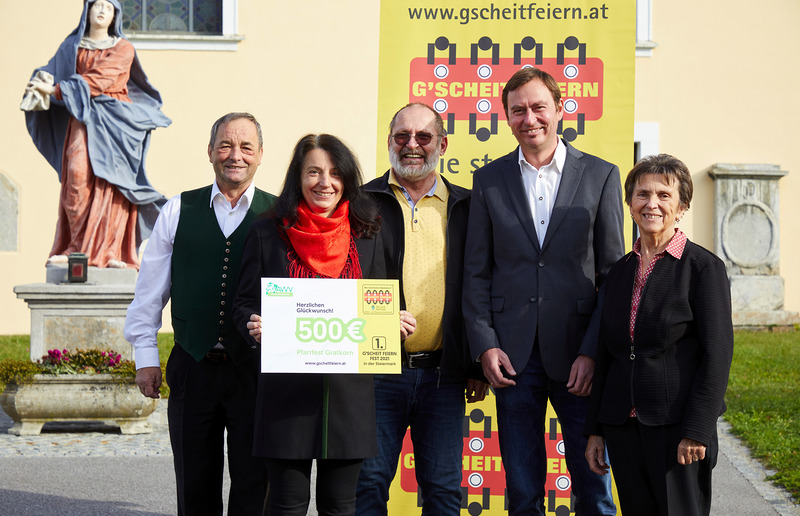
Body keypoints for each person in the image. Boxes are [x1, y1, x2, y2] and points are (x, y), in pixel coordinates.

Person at [462, 67, 623, 515]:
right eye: (518, 110)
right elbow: (476, 273)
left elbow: (612, 276)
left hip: (579, 356)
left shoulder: (601, 175)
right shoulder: (488, 180)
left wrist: (593, 351)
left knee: (594, 488)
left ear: (560, 109)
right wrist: (485, 345)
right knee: (523, 492)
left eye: (538, 107)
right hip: (512, 357)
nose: (529, 118)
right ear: (506, 117)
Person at [124, 112, 273, 515]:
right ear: (210, 152)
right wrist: (145, 357)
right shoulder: (178, 209)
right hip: (193, 365)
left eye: (246, 147)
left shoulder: (279, 215)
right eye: (225, 145)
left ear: (260, 154)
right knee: (194, 484)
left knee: (254, 484)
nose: (235, 155)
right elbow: (149, 290)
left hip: (256, 369)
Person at [233, 134, 389, 516]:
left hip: (348, 398)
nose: (325, 182)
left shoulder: (367, 232)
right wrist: (253, 324)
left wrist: (393, 319)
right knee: (286, 505)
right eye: (314, 172)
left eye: (335, 173)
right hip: (285, 397)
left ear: (346, 179)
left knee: (341, 506)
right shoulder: (267, 232)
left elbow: (380, 300)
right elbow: (244, 303)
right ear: (298, 177)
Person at [355, 103, 488, 515]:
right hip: (376, 372)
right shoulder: (361, 203)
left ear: (442, 145)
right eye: (402, 136)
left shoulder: (469, 206)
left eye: (424, 136)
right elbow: (341, 278)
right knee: (368, 486)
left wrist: (475, 363)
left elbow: (483, 286)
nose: (412, 145)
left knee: (444, 492)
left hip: (444, 375)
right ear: (389, 142)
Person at [584, 154, 734, 516]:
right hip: (623, 426)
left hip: (678, 429)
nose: (652, 203)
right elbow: (606, 354)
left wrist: (697, 429)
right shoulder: (619, 272)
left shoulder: (703, 268)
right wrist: (596, 429)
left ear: (681, 207)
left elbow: (717, 356)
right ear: (630, 205)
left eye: (664, 195)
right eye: (642, 194)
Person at [23, 0, 170, 269]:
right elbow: (51, 72)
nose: (102, 10)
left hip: (115, 120)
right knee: (76, 176)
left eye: (109, 7)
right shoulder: (71, 46)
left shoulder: (123, 48)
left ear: (115, 16)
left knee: (113, 183)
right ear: (87, 9)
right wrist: (40, 80)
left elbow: (100, 79)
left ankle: (111, 250)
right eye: (97, 4)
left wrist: (56, 90)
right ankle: (75, 247)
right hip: (82, 117)